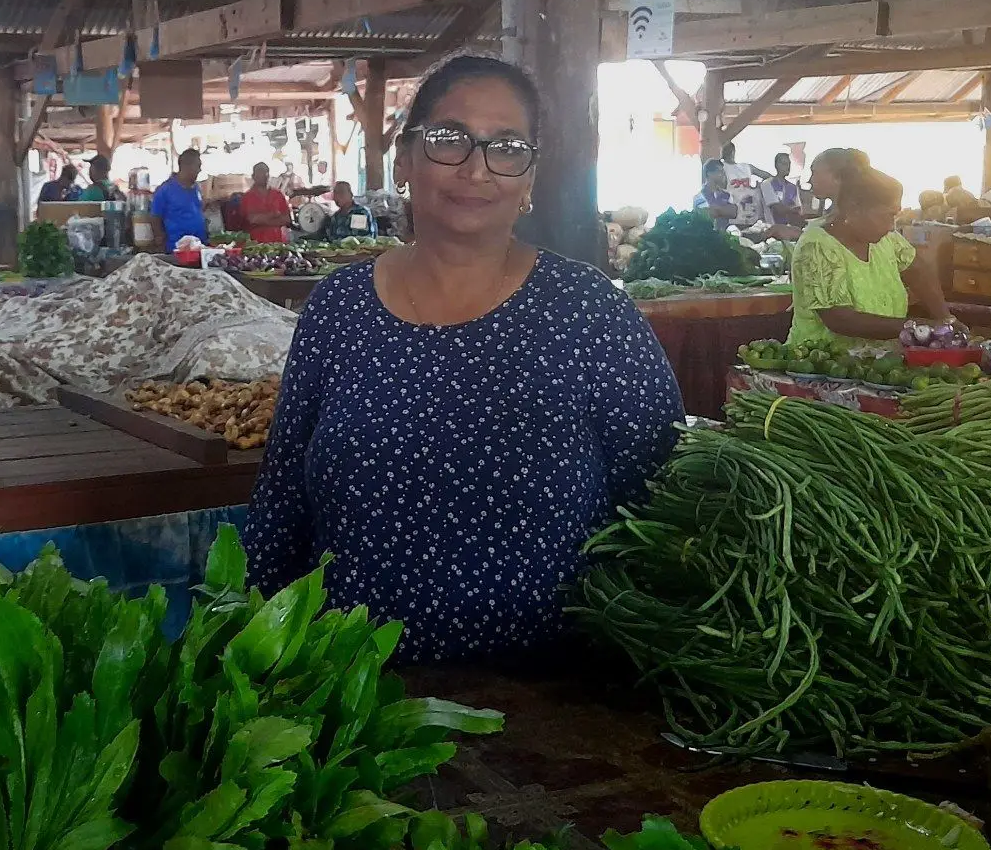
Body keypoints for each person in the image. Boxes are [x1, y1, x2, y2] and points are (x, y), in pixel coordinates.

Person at [243, 54, 683, 663]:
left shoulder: (589, 313)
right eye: (450, 140)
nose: (476, 169)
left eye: (506, 147)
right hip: (350, 700)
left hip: (556, 705)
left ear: (529, 177)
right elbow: (282, 502)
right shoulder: (339, 310)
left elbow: (661, 501)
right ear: (405, 157)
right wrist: (257, 658)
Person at [789, 165, 951, 344]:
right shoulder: (816, 246)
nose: (891, 226)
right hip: (819, 361)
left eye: (895, 216)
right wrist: (917, 326)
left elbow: (918, 270)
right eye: (887, 215)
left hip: (878, 361)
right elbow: (840, 319)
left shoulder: (886, 238)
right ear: (853, 209)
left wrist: (946, 319)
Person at [151, 148, 207, 249]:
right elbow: (155, 217)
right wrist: (160, 239)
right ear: (186, 166)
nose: (200, 170)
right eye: (198, 166)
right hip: (176, 248)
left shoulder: (196, 188)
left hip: (198, 245)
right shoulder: (165, 189)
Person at [806, 148, 870, 220]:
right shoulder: (864, 215)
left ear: (838, 177)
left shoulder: (849, 221)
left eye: (814, 172)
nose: (809, 180)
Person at [241, 161, 293, 244]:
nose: (264, 177)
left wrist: (261, 219)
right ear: (253, 177)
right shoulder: (247, 197)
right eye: (260, 174)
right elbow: (252, 220)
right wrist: (274, 215)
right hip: (255, 243)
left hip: (278, 242)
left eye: (266, 174)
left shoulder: (278, 194)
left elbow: (287, 220)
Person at [763, 152, 802, 226]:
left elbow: (799, 210)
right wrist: (792, 209)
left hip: (789, 227)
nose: (788, 167)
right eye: (784, 164)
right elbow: (778, 209)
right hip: (771, 227)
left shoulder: (793, 187)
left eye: (789, 164)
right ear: (776, 165)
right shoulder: (767, 184)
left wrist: (791, 210)